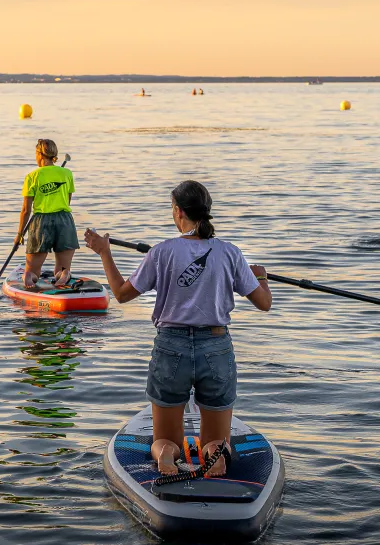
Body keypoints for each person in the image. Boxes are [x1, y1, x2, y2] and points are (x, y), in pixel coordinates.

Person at [84, 180, 272, 476]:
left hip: (171, 348)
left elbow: (120, 293)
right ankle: (215, 453)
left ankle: (167, 454)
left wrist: (104, 252)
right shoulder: (230, 253)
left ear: (178, 211)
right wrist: (259, 277)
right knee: (215, 440)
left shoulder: (161, 252)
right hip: (216, 347)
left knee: (164, 439)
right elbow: (263, 303)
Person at [15, 138, 79, 289]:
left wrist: (19, 234)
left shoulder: (32, 177)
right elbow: (67, 201)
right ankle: (63, 274)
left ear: (39, 154)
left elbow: (26, 210)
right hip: (64, 220)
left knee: (32, 272)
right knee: (62, 269)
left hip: (40, 222)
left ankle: (29, 278)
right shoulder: (67, 173)